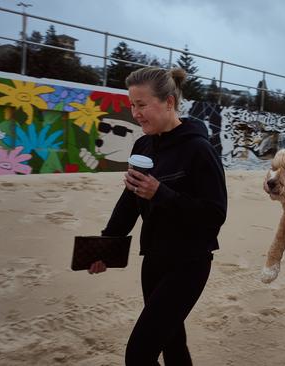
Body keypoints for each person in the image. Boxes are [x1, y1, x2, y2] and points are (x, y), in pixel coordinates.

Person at [87, 66, 227, 365]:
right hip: (153, 260)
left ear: (168, 103)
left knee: (138, 354)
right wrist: (105, 246)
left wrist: (160, 193)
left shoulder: (199, 149)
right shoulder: (143, 144)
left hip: (189, 264)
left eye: (141, 104)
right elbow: (129, 200)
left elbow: (214, 214)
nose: (135, 113)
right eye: (131, 105)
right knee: (173, 343)